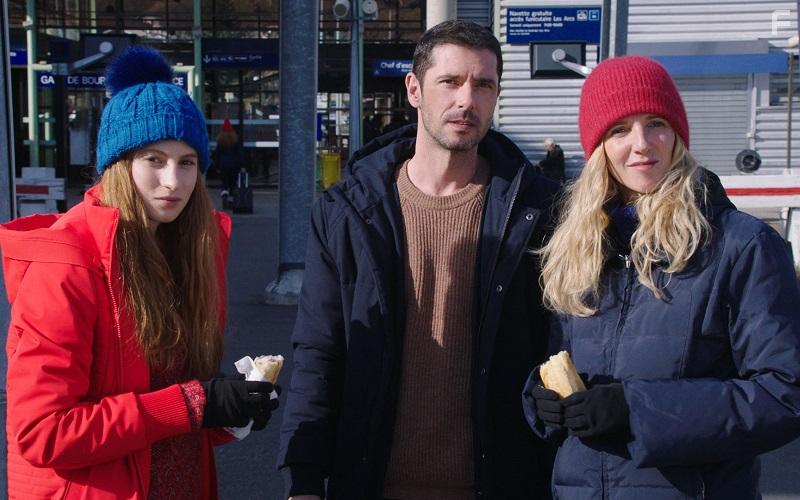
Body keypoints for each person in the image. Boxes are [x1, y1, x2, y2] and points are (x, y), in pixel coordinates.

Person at [279, 20, 559, 500]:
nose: (466, 100)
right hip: (372, 482)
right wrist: (303, 479)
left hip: (501, 483)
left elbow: (559, 347)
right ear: (414, 89)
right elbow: (319, 351)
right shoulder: (347, 210)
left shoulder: (539, 210)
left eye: (483, 85)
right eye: (450, 81)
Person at [0, 46, 279, 499]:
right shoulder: (65, 263)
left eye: (187, 162)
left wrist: (228, 411)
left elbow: (170, 413)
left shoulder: (190, 252)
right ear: (118, 164)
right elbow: (43, 432)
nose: (173, 181)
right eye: (154, 160)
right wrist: (196, 402)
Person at [522, 55, 800, 499]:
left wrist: (637, 410)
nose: (641, 144)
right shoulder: (577, 246)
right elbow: (559, 360)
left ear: (678, 136)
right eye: (619, 130)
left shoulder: (741, 245)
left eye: (656, 123)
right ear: (598, 148)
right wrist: (541, 399)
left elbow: (784, 395)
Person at [213, 117, 246, 205]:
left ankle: (224, 197)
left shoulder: (220, 140)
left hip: (223, 165)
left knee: (224, 182)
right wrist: (242, 165)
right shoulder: (235, 140)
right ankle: (233, 198)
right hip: (234, 165)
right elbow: (240, 154)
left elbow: (217, 154)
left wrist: (217, 166)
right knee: (233, 183)